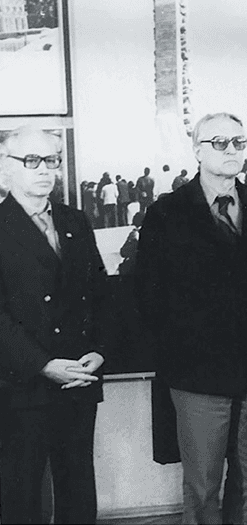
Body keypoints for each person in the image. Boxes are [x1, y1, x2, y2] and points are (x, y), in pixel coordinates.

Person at [135, 113, 247, 525]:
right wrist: (183, 347)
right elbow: (149, 295)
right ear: (197, 150)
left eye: (239, 141)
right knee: (203, 486)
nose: (232, 149)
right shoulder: (167, 212)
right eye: (219, 142)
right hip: (197, 372)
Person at [0, 126, 109, 524]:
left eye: (51, 160)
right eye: (31, 160)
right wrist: (43, 364)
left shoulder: (74, 220)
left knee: (78, 492)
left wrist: (99, 351)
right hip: (21, 385)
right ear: (4, 168)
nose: (44, 169)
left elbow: (99, 294)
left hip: (78, 378)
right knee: (21, 497)